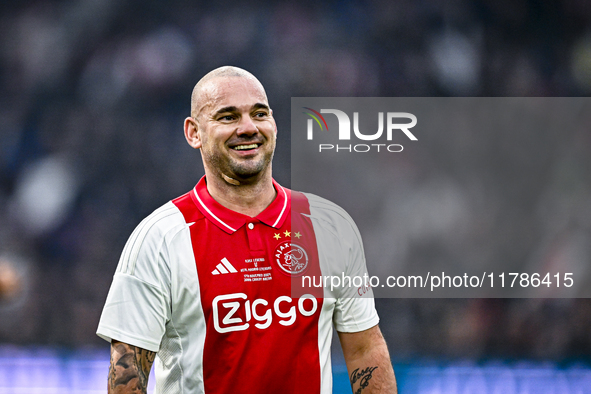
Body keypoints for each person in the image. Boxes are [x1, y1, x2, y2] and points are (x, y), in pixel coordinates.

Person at [97, 66, 397, 394]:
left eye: (259, 113)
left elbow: (365, 349)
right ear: (194, 133)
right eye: (227, 117)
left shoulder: (329, 225)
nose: (248, 127)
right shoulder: (159, 238)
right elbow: (127, 376)